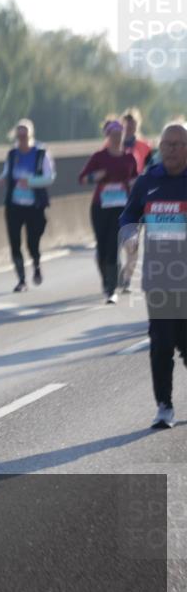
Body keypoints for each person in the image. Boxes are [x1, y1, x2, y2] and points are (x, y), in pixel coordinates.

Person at [118, 121, 187, 428]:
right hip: (159, 277)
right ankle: (164, 406)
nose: (171, 150)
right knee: (160, 343)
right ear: (159, 149)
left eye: (178, 144)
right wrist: (130, 235)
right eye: (166, 144)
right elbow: (129, 213)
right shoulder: (148, 181)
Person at [79, 118, 139, 303]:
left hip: (121, 208)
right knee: (102, 248)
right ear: (107, 136)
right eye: (113, 135)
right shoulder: (99, 157)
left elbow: (136, 178)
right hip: (100, 207)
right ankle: (106, 281)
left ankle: (111, 289)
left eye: (120, 134)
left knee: (113, 245)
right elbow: (82, 179)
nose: (117, 138)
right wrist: (95, 176)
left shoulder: (129, 157)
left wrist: (133, 184)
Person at [0, 119, 56, 292]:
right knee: (14, 242)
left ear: (31, 136)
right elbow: (8, 172)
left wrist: (30, 181)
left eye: (25, 135)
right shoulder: (12, 154)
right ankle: (21, 280)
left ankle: (36, 264)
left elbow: (50, 178)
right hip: (14, 205)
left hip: (34, 206)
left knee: (32, 243)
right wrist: (2, 178)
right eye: (19, 135)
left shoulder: (40, 154)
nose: (21, 139)